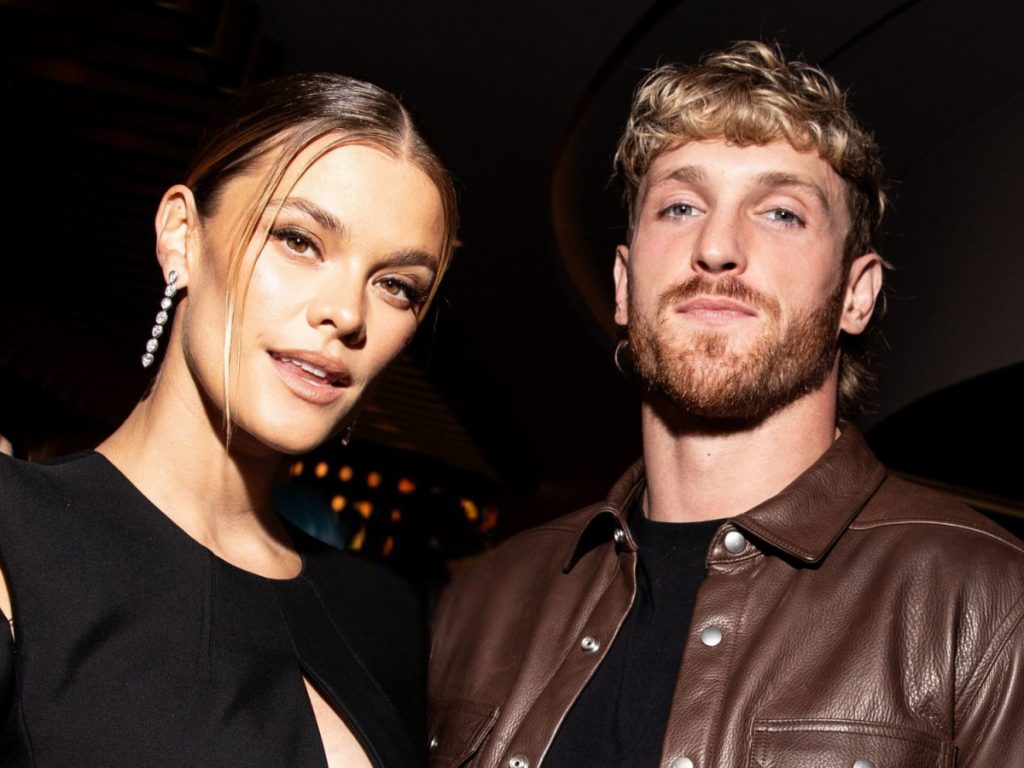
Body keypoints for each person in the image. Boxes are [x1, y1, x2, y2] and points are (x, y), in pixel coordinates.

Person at [428, 41, 1024, 767]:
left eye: (780, 213)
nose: (715, 246)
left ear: (857, 294)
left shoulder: (989, 600)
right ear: (623, 285)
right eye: (680, 206)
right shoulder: (486, 602)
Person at [0, 72, 456, 767]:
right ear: (182, 236)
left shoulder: (384, 611)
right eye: (299, 240)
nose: (347, 313)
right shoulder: (15, 532)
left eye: (396, 286)